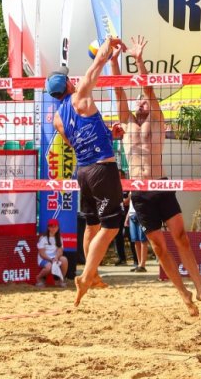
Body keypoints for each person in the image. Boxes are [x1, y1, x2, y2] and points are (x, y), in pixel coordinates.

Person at [111, 35, 201, 316]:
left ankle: (200, 287)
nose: (143, 103)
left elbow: (147, 89)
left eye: (145, 101)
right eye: (140, 102)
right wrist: (113, 61)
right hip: (140, 194)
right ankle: (184, 294)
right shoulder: (126, 123)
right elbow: (119, 91)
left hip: (161, 185)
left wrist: (138, 60)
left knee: (181, 237)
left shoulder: (158, 121)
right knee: (159, 248)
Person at [46, 36, 126, 307]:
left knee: (92, 225)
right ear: (68, 84)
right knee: (111, 226)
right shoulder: (80, 93)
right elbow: (99, 61)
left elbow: (77, 141)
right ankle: (86, 274)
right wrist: (110, 40)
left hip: (84, 171)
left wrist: (108, 135)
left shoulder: (58, 118)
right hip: (102, 169)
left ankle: (92, 275)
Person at [36, 218, 69, 288]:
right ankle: (38, 278)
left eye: (55, 226)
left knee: (64, 260)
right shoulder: (43, 238)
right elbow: (41, 253)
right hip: (44, 258)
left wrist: (56, 257)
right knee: (48, 266)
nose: (53, 228)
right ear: (48, 228)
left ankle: (61, 280)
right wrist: (50, 259)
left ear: (58, 227)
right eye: (51, 226)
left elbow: (60, 250)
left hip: (54, 258)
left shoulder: (59, 238)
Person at [125, 187, 148, 273]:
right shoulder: (131, 188)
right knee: (136, 240)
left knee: (143, 240)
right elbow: (130, 203)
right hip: (132, 215)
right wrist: (127, 217)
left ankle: (143, 264)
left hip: (141, 214)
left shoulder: (143, 187)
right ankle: (139, 264)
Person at [112, 170, 130, 266]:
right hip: (117, 214)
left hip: (128, 214)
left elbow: (129, 200)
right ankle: (121, 259)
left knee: (129, 235)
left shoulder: (129, 184)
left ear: (123, 176)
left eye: (119, 176)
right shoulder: (114, 186)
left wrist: (124, 201)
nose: (118, 178)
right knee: (117, 236)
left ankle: (137, 260)